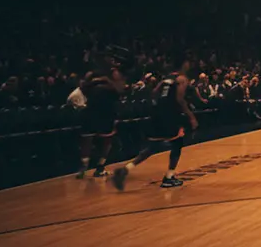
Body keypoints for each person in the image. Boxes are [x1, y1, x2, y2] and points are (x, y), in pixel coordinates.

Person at [113, 60, 197, 190]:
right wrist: (191, 116)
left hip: (157, 114)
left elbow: (154, 93)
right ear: (184, 64)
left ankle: (126, 169)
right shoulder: (182, 79)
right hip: (170, 115)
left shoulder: (166, 79)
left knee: (153, 146)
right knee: (177, 143)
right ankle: (169, 177)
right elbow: (179, 99)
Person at [77, 66, 124, 179]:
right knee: (101, 142)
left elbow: (119, 93)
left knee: (91, 141)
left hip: (97, 113)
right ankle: (96, 167)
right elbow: (119, 93)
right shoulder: (105, 85)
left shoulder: (97, 85)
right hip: (101, 114)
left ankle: (88, 167)